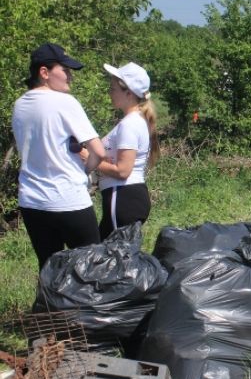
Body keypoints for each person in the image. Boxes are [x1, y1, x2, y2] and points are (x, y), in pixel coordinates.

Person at [11, 43, 105, 269]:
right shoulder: (65, 102)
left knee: (49, 269)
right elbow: (98, 151)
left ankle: (50, 305)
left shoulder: (20, 104)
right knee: (90, 269)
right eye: (65, 70)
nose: (70, 76)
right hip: (68, 199)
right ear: (44, 73)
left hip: (32, 201)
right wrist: (85, 170)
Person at [93, 62, 160, 240]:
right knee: (118, 258)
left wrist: (90, 160)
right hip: (125, 198)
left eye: (113, 88)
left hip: (122, 197)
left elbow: (123, 171)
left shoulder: (129, 124)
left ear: (128, 93)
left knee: (115, 259)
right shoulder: (134, 121)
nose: (110, 93)